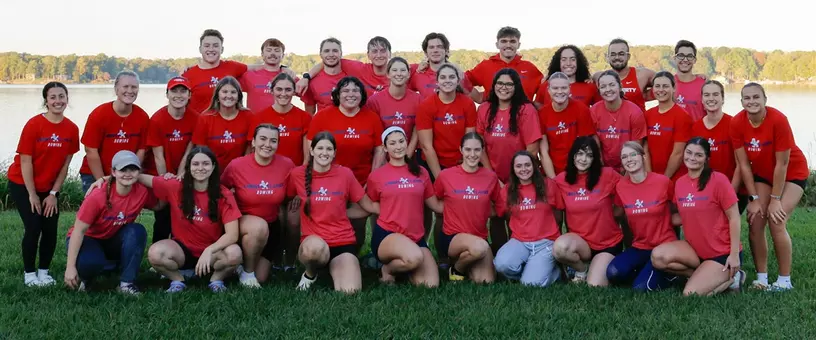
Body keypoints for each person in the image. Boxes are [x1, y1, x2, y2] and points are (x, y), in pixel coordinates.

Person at [731, 83, 808, 291]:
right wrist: (754, 199)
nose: (752, 101)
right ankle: (762, 279)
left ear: (765, 99)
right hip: (764, 175)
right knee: (755, 220)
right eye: (747, 98)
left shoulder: (778, 119)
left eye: (756, 97)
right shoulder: (737, 122)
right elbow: (744, 165)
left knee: (776, 220)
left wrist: (775, 200)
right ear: (741, 102)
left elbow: (782, 164)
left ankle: (784, 281)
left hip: (792, 172)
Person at [140, 147, 244, 293]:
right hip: (182, 251)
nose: (200, 168)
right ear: (188, 167)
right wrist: (111, 178)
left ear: (213, 166)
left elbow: (232, 235)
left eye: (206, 164)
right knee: (155, 253)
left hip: (212, 252)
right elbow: (140, 178)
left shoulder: (224, 194)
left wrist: (209, 250)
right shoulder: (175, 186)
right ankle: (178, 280)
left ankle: (216, 280)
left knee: (235, 254)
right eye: (195, 164)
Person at [287, 132, 379, 293]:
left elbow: (367, 206)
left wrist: (395, 208)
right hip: (313, 243)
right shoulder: (297, 174)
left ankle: (333, 268)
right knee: (313, 250)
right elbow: (286, 198)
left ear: (334, 153)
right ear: (312, 150)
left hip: (342, 241)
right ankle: (310, 274)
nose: (324, 152)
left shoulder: (345, 174)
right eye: (320, 148)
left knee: (350, 291)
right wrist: (296, 198)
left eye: (329, 149)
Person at [651, 138, 744, 296]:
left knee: (690, 294)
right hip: (694, 250)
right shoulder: (680, 183)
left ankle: (733, 278)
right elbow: (682, 216)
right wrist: (650, 215)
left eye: (698, 155)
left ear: (706, 159)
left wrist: (734, 255)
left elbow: (734, 217)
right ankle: (703, 274)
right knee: (658, 257)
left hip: (720, 253)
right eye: (689, 153)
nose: (692, 158)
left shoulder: (719, 180)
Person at [7, 82, 79, 287]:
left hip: (49, 187)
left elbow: (65, 165)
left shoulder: (72, 128)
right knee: (33, 226)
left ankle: (44, 273)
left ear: (67, 98)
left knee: (50, 228)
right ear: (46, 101)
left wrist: (53, 193)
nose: (58, 101)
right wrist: (32, 194)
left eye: (61, 96)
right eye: (53, 97)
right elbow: (25, 161)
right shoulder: (34, 124)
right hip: (22, 183)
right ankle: (30, 275)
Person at [306, 76, 386, 252]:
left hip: (361, 180)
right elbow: (311, 148)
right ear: (337, 94)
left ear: (362, 95)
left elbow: (379, 150)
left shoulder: (371, 118)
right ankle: (324, 254)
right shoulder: (322, 116)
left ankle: (353, 255)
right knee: (330, 219)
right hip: (329, 181)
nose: (351, 94)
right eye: (346, 90)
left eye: (356, 90)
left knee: (358, 223)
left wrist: (371, 180)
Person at [64, 151, 159, 294]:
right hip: (88, 238)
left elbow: (159, 206)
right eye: (123, 170)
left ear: (139, 172)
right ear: (113, 172)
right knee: (90, 263)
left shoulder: (142, 192)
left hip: (112, 238)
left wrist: (170, 184)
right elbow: (79, 230)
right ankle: (86, 278)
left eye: (133, 169)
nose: (128, 174)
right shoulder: (98, 195)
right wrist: (70, 267)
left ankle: (126, 283)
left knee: (136, 230)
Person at [367, 126, 443, 287]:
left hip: (415, 237)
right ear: (385, 148)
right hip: (388, 235)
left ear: (407, 142)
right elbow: (371, 204)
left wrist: (465, 202)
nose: (398, 146)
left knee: (430, 285)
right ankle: (388, 269)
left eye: (401, 141)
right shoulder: (377, 176)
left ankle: (404, 267)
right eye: (392, 143)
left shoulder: (421, 172)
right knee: (414, 257)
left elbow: (435, 205)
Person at [476, 68, 542, 254]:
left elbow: (532, 148)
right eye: (499, 83)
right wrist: (491, 175)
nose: (503, 87)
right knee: (497, 215)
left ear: (516, 87)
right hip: (492, 173)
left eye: (508, 84)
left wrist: (518, 176)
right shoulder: (484, 109)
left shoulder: (526, 110)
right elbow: (479, 145)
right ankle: (499, 255)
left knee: (517, 214)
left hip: (519, 174)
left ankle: (520, 254)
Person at [416, 63, 477, 263]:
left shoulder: (467, 103)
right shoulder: (427, 105)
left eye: (452, 77)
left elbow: (470, 141)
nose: (447, 81)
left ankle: (466, 251)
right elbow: (427, 146)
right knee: (442, 212)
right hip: (436, 164)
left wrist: (464, 168)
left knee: (465, 208)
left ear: (458, 80)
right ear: (437, 81)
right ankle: (442, 257)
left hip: (461, 163)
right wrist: (441, 177)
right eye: (443, 77)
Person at [222, 124, 296, 287]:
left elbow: (295, 188)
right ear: (253, 142)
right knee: (258, 227)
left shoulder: (287, 165)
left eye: (273, 141)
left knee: (262, 277)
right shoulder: (236, 166)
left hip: (272, 226)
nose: (267, 145)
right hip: (243, 224)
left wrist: (297, 196)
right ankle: (247, 273)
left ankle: (242, 267)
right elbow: (221, 190)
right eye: (262, 139)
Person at [552, 136, 623, 286]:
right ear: (573, 155)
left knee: (595, 285)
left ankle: (598, 266)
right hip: (580, 244)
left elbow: (629, 187)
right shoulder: (561, 180)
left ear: (594, 159)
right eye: (580, 154)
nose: (583, 159)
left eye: (589, 155)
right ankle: (581, 269)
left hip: (607, 244)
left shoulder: (608, 175)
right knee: (559, 248)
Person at [608, 142, 677, 291]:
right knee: (613, 273)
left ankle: (672, 275)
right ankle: (647, 270)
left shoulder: (663, 182)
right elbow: (617, 213)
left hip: (663, 246)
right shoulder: (621, 187)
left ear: (643, 157)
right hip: (640, 246)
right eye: (624, 157)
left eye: (633, 154)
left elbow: (677, 209)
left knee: (640, 288)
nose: (629, 159)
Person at [435, 132, 501, 283]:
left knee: (486, 281)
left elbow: (498, 206)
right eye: (468, 149)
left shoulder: (490, 177)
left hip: (479, 237)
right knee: (479, 248)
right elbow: (436, 198)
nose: (472, 154)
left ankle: (465, 263)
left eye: (477, 150)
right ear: (461, 150)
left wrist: (481, 211)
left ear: (482, 151)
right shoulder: (446, 175)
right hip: (453, 237)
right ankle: (457, 268)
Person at [493, 151, 561, 287]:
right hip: (519, 241)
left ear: (534, 166)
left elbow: (558, 213)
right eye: (519, 166)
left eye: (527, 165)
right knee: (501, 265)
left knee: (530, 284)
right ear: (513, 169)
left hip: (546, 241)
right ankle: (533, 269)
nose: (523, 169)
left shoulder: (548, 185)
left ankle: (555, 272)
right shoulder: (507, 190)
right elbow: (500, 213)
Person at [78, 71, 150, 193]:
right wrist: (102, 181)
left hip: (126, 174)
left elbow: (141, 150)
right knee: (99, 204)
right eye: (125, 86)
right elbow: (91, 151)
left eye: (134, 87)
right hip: (95, 173)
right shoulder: (99, 115)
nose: (130, 91)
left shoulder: (142, 117)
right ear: (116, 89)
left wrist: (130, 174)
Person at [145, 76, 198, 243]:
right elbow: (158, 156)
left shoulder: (196, 118)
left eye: (183, 91)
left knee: (183, 213)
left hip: (185, 170)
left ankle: (182, 247)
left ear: (189, 95)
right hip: (162, 170)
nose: (178, 95)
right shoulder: (157, 119)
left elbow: (190, 151)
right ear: (167, 94)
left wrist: (181, 175)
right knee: (163, 215)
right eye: (174, 91)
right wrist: (165, 180)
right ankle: (157, 250)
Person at [690, 80, 745, 212]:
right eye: (707, 95)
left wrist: (730, 194)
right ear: (702, 100)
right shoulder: (695, 127)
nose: (711, 98)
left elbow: (740, 164)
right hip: (706, 190)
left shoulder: (734, 124)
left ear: (723, 99)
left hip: (732, 188)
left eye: (715, 94)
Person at [537, 72, 596, 177]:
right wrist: (554, 179)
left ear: (569, 89)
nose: (560, 92)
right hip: (553, 171)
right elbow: (543, 152)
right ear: (548, 90)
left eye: (564, 88)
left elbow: (585, 146)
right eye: (555, 88)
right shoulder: (542, 114)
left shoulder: (581, 109)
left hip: (578, 171)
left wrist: (577, 176)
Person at [465, 26, 543, 103]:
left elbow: (545, 89)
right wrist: (479, 97)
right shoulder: (485, 66)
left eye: (512, 41)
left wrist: (535, 106)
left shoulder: (529, 68)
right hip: (493, 111)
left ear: (518, 45)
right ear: (497, 44)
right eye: (504, 41)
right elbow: (462, 80)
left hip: (524, 111)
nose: (508, 45)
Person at [590, 70, 647, 173]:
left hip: (628, 165)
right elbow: (595, 144)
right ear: (599, 90)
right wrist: (601, 167)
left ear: (620, 87)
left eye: (612, 85)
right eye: (603, 87)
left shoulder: (634, 112)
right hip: (603, 167)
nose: (608, 89)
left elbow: (635, 148)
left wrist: (625, 170)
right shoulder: (594, 111)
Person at [251, 73, 312, 166]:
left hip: (294, 171)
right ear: (272, 91)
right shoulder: (259, 118)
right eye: (279, 89)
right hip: (267, 171)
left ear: (294, 92)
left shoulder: (305, 117)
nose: (283, 94)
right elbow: (253, 151)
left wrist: (300, 172)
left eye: (288, 90)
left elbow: (307, 157)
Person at [191, 76, 253, 169]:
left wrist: (242, 168)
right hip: (211, 170)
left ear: (239, 96)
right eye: (224, 92)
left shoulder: (248, 116)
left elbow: (250, 147)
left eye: (233, 92)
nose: (229, 96)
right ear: (217, 96)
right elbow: (201, 151)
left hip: (239, 170)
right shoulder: (205, 118)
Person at [182, 29, 248, 114]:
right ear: (200, 49)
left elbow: (259, 68)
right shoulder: (188, 75)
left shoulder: (232, 66)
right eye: (207, 46)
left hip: (227, 121)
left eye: (215, 46)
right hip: (200, 121)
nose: (211, 49)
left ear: (222, 49)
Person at [367, 57, 422, 158]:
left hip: (410, 155)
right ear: (388, 74)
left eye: (403, 70)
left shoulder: (418, 99)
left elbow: (417, 129)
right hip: (383, 156)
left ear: (409, 74)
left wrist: (408, 155)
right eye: (394, 70)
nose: (399, 74)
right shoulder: (374, 101)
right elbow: (375, 134)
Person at [644, 71, 693, 181]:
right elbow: (645, 149)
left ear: (674, 88)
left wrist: (664, 179)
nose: (661, 90)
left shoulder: (682, 116)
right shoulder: (648, 114)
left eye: (665, 86)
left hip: (675, 178)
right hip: (652, 177)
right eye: (657, 86)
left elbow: (678, 153)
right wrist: (650, 177)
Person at [592, 38, 656, 113]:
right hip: (610, 120)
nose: (617, 57)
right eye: (613, 54)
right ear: (608, 57)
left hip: (637, 119)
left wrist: (649, 95)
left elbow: (666, 83)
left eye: (621, 54)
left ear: (628, 56)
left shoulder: (643, 75)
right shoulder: (598, 77)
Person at [241, 38, 299, 113]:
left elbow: (308, 97)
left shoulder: (290, 76)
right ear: (262, 54)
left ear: (283, 55)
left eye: (277, 50)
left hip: (281, 120)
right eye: (269, 50)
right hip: (256, 120)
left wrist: (306, 77)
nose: (272, 53)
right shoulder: (249, 75)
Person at [533, 45, 599, 109]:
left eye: (573, 59)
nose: (568, 63)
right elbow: (538, 108)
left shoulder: (590, 87)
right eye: (564, 59)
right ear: (558, 62)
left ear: (578, 62)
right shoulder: (545, 86)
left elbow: (600, 109)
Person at [297, 38, 350, 114]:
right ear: (321, 54)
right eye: (326, 51)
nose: (331, 54)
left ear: (341, 53)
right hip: (323, 121)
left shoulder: (352, 77)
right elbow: (309, 114)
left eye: (335, 51)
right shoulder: (312, 82)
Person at [673, 40, 707, 122]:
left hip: (697, 130)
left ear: (694, 60)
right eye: (681, 55)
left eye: (689, 56)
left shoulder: (704, 85)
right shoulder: (667, 84)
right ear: (675, 58)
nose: (685, 59)